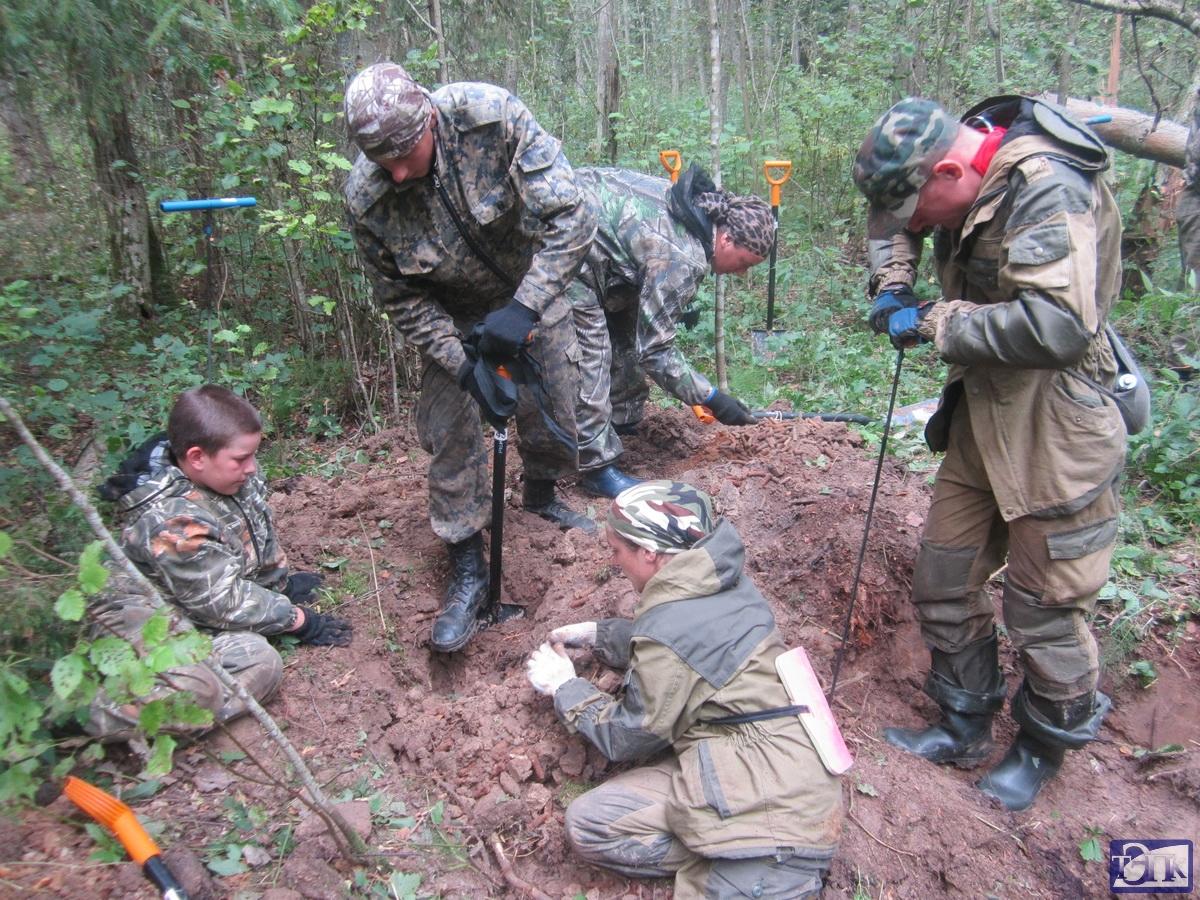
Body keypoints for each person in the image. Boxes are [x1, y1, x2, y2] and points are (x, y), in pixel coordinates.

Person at [852, 96, 1127, 811]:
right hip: (980, 414)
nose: (914, 228)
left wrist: (937, 320)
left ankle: (1041, 749)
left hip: (1056, 425)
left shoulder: (1047, 185)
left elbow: (1059, 325)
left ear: (950, 169)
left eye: (921, 211)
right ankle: (964, 724)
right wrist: (893, 287)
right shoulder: (949, 167)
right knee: (944, 575)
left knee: (1045, 608)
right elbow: (896, 222)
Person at [343, 61, 597, 652]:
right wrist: (461, 364)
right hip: (453, 316)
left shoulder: (490, 118)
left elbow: (572, 217)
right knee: (449, 422)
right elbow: (400, 298)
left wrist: (526, 309)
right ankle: (466, 562)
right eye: (385, 163)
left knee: (558, 405)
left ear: (430, 116)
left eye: (407, 153)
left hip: (532, 286)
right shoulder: (368, 199)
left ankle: (541, 492)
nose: (399, 173)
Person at [526, 481, 842, 897]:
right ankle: (724, 844)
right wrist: (602, 635)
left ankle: (749, 862)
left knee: (600, 831)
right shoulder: (718, 581)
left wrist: (565, 687)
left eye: (617, 550)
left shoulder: (671, 627)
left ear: (649, 553)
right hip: (781, 763)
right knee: (590, 820)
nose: (613, 560)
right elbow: (692, 647)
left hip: (775, 803)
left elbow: (628, 735)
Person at [87, 385, 351, 742]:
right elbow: (222, 601)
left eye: (253, 455)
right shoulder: (172, 521)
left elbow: (254, 529)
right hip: (142, 615)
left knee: (263, 663)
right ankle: (93, 715)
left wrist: (278, 585)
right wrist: (298, 620)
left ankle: (188, 718)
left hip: (191, 602)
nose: (252, 467)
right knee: (198, 688)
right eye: (241, 459)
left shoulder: (224, 475)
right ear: (196, 457)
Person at [568, 165, 773, 497]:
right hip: (569, 249)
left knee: (627, 324)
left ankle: (622, 420)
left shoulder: (691, 209)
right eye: (745, 263)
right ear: (725, 237)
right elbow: (655, 351)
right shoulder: (683, 256)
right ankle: (596, 468)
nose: (741, 274)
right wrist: (712, 397)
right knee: (594, 350)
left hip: (603, 250)